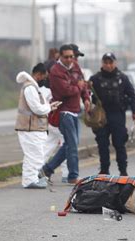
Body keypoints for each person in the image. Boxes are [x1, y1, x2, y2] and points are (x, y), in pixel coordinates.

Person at [40, 44, 90, 184]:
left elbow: (83, 84)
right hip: (63, 111)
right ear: (60, 57)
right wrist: (78, 87)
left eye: (71, 57)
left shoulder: (75, 66)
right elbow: (65, 91)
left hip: (75, 110)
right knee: (72, 144)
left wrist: (85, 97)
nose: (69, 59)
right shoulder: (55, 71)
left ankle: (47, 169)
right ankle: (73, 176)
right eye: (66, 57)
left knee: (71, 143)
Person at [90, 52, 135, 176]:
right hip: (102, 116)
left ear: (115, 63)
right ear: (102, 63)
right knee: (102, 144)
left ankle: (123, 171)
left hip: (117, 115)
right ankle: (104, 170)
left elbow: (132, 95)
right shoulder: (95, 79)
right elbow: (86, 93)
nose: (108, 65)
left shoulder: (122, 78)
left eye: (110, 62)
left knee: (119, 144)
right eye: (105, 62)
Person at [15, 63, 60, 188]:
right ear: (38, 75)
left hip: (32, 127)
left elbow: (40, 107)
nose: (44, 80)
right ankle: (30, 180)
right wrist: (47, 108)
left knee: (33, 155)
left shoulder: (33, 87)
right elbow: (37, 109)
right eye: (44, 77)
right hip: (29, 127)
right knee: (35, 155)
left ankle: (30, 179)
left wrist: (50, 107)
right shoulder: (30, 88)